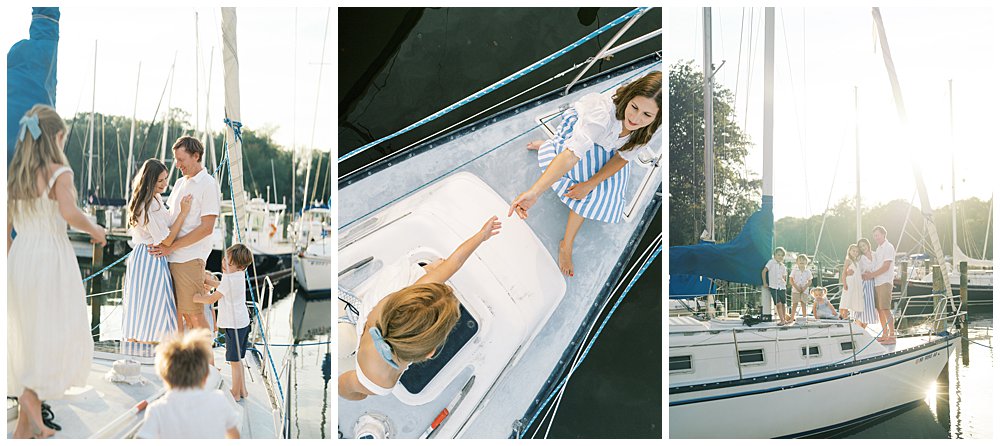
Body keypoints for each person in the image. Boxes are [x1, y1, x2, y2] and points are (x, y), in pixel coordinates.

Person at [7, 105, 107, 439]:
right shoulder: (57, 172)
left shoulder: (14, 176)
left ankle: (25, 426)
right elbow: (68, 212)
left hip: (19, 259)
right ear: (56, 137)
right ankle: (33, 408)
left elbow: (5, 232)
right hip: (50, 257)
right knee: (55, 333)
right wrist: (95, 229)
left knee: (28, 336)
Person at [509, 71, 661, 277]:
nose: (635, 118)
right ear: (630, 97)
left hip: (608, 148)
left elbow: (622, 158)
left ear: (656, 118)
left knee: (593, 192)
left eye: (647, 115)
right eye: (634, 107)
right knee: (574, 168)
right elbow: (572, 155)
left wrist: (590, 183)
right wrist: (534, 192)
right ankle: (551, 147)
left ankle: (566, 243)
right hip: (586, 137)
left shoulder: (650, 129)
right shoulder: (603, 114)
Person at [338, 216, 502, 401]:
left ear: (398, 301)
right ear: (429, 353)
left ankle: (428, 270)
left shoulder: (384, 305)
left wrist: (482, 235)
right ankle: (429, 271)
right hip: (369, 368)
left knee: (419, 276)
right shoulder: (380, 384)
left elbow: (454, 263)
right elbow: (346, 390)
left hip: (366, 338)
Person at [149, 136, 221, 341]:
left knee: (195, 317)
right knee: (178, 317)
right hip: (171, 258)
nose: (177, 165)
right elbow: (171, 217)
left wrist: (171, 248)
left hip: (188, 259)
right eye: (176, 160)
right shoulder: (181, 183)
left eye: (181, 160)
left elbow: (207, 228)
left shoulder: (208, 184)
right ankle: (187, 361)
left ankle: (208, 365)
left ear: (196, 156)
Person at [122, 159, 194, 357]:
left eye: (166, 180)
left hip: (153, 257)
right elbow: (167, 239)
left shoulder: (156, 200)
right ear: (150, 180)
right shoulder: (146, 205)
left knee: (154, 304)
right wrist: (184, 213)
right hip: (148, 258)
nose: (164, 184)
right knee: (152, 304)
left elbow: (167, 223)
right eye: (160, 181)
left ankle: (151, 348)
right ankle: (145, 349)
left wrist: (179, 209)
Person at [136, 329, 240, 439]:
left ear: (164, 377)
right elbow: (234, 436)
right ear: (205, 376)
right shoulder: (219, 400)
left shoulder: (157, 410)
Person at [193, 243, 254, 401]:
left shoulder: (229, 280)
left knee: (234, 361)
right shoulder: (238, 275)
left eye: (230, 263)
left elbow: (212, 298)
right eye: (224, 260)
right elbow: (223, 286)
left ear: (240, 267)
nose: (224, 264)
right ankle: (243, 390)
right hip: (242, 323)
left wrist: (196, 298)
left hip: (233, 325)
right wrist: (210, 282)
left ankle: (235, 393)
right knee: (238, 359)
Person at [864, 226, 896, 343]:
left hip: (885, 281)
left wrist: (871, 275)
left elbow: (886, 266)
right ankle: (885, 334)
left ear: (883, 234)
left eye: (877, 235)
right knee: (880, 309)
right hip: (877, 282)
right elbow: (876, 265)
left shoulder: (888, 247)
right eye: (874, 236)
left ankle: (892, 336)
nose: (876, 238)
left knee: (886, 309)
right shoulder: (878, 249)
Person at [855, 238, 880, 329]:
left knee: (870, 308)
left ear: (868, 245)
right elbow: (857, 271)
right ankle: (859, 330)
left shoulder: (875, 254)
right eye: (860, 247)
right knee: (861, 308)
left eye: (864, 245)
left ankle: (863, 330)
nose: (863, 248)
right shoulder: (860, 258)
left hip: (873, 283)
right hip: (863, 283)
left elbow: (879, 267)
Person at [762, 247, 791, 325]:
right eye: (778, 255)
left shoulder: (783, 266)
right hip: (774, 287)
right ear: (774, 255)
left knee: (783, 304)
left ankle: (784, 319)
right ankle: (782, 320)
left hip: (782, 287)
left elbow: (784, 277)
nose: (780, 257)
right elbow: (764, 271)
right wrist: (765, 283)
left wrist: (785, 283)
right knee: (778, 304)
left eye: (782, 255)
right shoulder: (771, 262)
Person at [840, 244, 867, 326]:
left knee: (852, 300)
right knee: (846, 300)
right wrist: (844, 283)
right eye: (853, 251)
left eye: (856, 251)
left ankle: (850, 319)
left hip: (856, 284)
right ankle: (842, 318)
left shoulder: (856, 261)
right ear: (849, 251)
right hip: (850, 282)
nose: (855, 253)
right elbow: (844, 273)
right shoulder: (848, 260)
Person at [789, 254, 813, 319]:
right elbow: (791, 280)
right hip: (795, 290)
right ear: (797, 262)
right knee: (794, 304)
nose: (802, 261)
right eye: (800, 260)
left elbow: (810, 281)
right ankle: (792, 318)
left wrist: (805, 287)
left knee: (803, 304)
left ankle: (804, 318)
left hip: (804, 290)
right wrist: (796, 287)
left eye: (803, 260)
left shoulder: (808, 271)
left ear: (806, 262)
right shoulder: (794, 270)